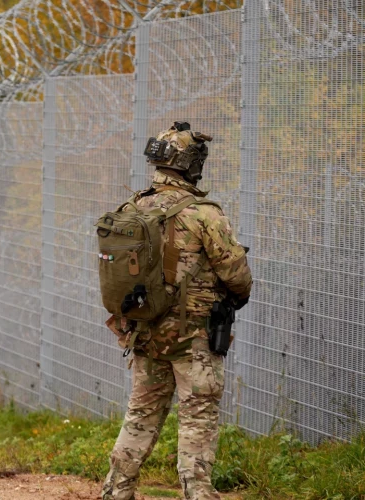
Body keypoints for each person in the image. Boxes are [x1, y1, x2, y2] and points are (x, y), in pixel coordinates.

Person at [102, 122, 252, 500]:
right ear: (189, 164)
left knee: (141, 413)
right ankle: (198, 492)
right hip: (194, 335)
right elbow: (236, 275)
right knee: (198, 414)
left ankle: (116, 490)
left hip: (145, 331)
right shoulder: (204, 214)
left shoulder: (133, 208)